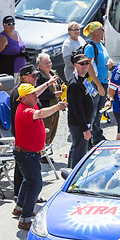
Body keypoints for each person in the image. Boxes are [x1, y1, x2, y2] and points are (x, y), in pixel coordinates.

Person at [12, 83, 67, 231]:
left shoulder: (29, 102)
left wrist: (48, 83)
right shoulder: (26, 110)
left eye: (35, 93)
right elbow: (41, 114)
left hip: (28, 153)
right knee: (35, 184)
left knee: (29, 181)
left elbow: (38, 92)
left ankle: (19, 207)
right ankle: (25, 218)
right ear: (23, 98)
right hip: (27, 154)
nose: (36, 95)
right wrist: (57, 107)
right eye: (32, 94)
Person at [10, 64, 57, 202]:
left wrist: (48, 83)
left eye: (37, 75)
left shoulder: (27, 92)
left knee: (25, 171)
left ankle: (20, 199)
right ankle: (23, 203)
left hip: (26, 136)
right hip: (23, 135)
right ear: (24, 78)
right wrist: (57, 107)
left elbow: (35, 93)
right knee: (27, 173)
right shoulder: (21, 92)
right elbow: (39, 110)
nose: (36, 78)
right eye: (33, 76)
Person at [83, 21, 113, 145]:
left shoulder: (101, 43)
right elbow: (88, 67)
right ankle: (91, 138)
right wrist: (99, 85)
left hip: (104, 81)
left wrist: (110, 61)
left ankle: (96, 134)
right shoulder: (90, 47)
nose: (103, 31)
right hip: (95, 83)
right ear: (95, 32)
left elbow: (107, 57)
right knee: (92, 111)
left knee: (99, 110)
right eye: (101, 29)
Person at [67, 54, 94, 168]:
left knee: (78, 149)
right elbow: (77, 109)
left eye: (87, 63)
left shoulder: (84, 80)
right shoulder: (74, 84)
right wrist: (85, 129)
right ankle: (73, 180)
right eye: (82, 64)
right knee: (79, 153)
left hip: (85, 122)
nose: (85, 66)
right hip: (78, 125)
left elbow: (92, 96)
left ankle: (70, 174)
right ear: (75, 65)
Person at [36, 53, 64, 145]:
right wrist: (53, 95)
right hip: (46, 108)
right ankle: (43, 153)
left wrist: (62, 89)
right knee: (46, 131)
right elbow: (39, 95)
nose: (49, 65)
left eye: (50, 62)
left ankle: (48, 150)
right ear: (40, 66)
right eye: (46, 63)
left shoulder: (53, 73)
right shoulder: (39, 78)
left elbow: (59, 84)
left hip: (56, 107)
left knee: (53, 130)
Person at [0, 16, 26, 84]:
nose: (11, 26)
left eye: (13, 24)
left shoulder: (16, 33)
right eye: (9, 24)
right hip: (11, 70)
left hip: (21, 69)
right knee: (13, 91)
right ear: (3, 25)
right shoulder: (3, 37)